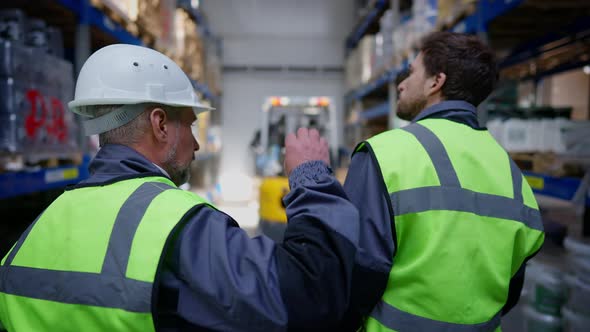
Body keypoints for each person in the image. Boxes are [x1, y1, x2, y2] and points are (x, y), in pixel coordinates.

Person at [0, 44, 360, 331]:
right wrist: (311, 179)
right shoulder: (177, 226)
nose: (197, 144)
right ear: (159, 124)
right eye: (189, 124)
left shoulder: (35, 232)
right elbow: (310, 298)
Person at [340, 32, 545, 331]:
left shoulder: (384, 154)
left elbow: (357, 270)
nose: (401, 84)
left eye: (411, 73)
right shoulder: (511, 173)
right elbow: (510, 287)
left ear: (436, 82)